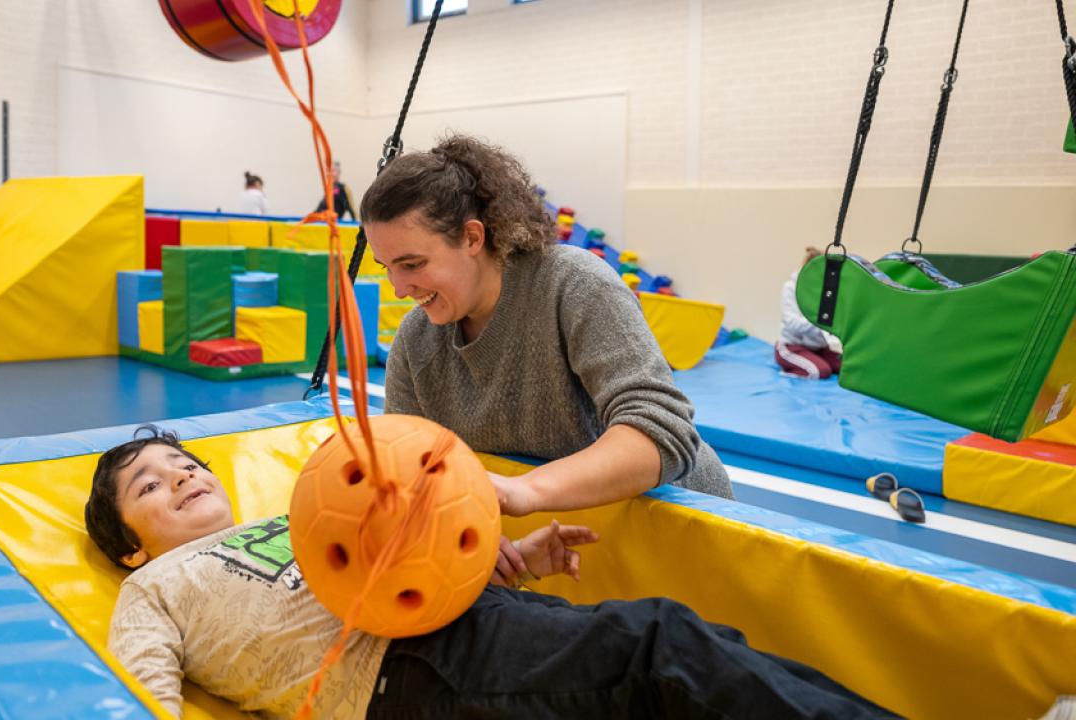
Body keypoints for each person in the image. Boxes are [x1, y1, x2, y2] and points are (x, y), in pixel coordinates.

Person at [86, 428, 895, 719]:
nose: (183, 477)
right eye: (150, 485)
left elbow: (412, 569)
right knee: (660, 646)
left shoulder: (298, 517)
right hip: (393, 675)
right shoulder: (153, 587)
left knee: (669, 660)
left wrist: (504, 568)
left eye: (185, 462)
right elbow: (140, 690)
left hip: (449, 633)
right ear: (129, 543)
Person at [359, 134, 733, 547]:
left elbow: (660, 430)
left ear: (471, 238)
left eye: (412, 264)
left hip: (679, 532)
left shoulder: (573, 285)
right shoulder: (415, 342)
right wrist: (459, 531)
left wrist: (526, 490)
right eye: (387, 267)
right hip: (568, 546)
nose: (397, 288)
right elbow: (409, 466)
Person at [776, 247, 842, 380]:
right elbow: (791, 323)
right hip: (792, 346)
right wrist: (822, 326)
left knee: (847, 368)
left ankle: (814, 359)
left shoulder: (824, 290)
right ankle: (787, 372)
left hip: (818, 348)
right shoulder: (791, 287)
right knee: (821, 371)